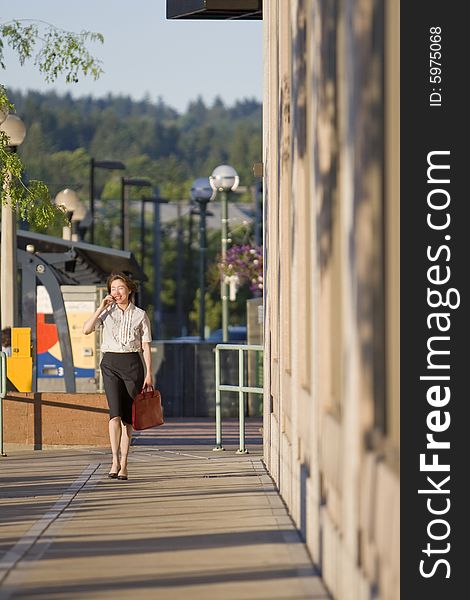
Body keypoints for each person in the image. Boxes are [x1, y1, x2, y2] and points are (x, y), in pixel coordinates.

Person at [83, 273, 152, 480]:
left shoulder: (140, 315)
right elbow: (86, 330)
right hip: (110, 363)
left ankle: (124, 463)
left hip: (132, 364)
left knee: (127, 420)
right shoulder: (106, 312)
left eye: (120, 288)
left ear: (129, 290)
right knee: (114, 414)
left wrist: (149, 374)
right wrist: (101, 307)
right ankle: (114, 460)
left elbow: (146, 347)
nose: (116, 292)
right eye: (113, 289)